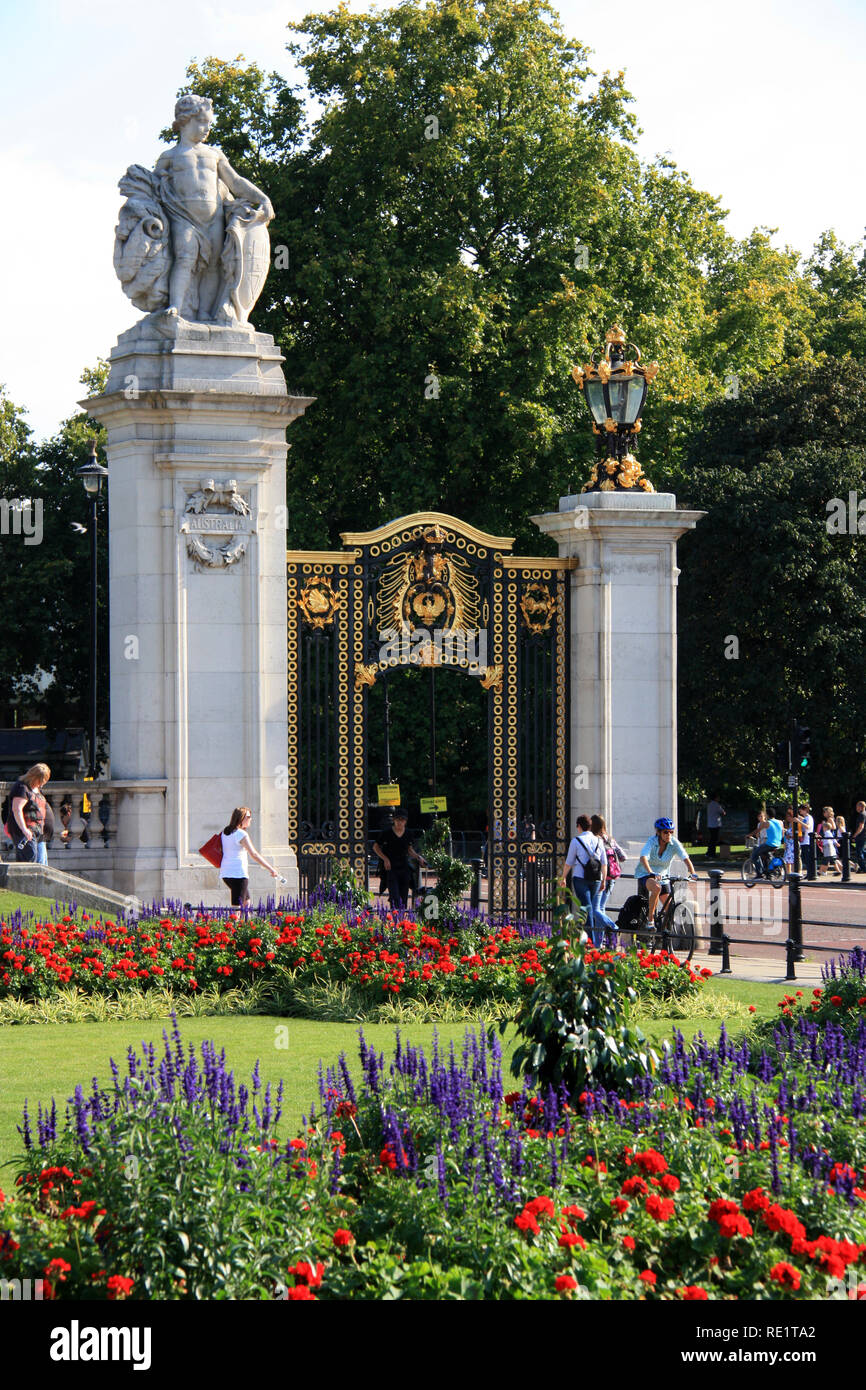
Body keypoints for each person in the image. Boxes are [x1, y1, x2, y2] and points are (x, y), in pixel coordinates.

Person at [155, 95, 275, 322]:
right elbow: (153, 190)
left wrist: (263, 198)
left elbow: (236, 182)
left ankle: (205, 313)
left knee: (213, 265)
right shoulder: (170, 157)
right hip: (184, 217)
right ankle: (176, 307)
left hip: (214, 218)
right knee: (184, 258)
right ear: (184, 121)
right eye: (201, 122)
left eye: (209, 123)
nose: (206, 128)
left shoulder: (214, 154)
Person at [635, 817, 698, 924]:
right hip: (646, 874)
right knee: (656, 888)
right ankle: (650, 920)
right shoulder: (652, 841)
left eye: (671, 832)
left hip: (663, 876)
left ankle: (664, 934)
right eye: (665, 832)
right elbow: (643, 857)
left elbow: (685, 858)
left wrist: (693, 872)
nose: (669, 835)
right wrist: (651, 872)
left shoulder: (674, 843)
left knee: (670, 909)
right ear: (658, 832)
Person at [560, 814, 607, 945]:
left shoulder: (576, 841)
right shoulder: (599, 840)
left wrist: (563, 877)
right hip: (596, 878)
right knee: (587, 907)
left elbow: (569, 862)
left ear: (579, 826)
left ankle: (590, 941)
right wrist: (603, 880)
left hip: (580, 877)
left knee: (586, 907)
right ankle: (584, 936)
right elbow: (604, 863)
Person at [220, 806, 279, 907]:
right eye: (248, 816)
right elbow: (254, 854)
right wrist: (271, 869)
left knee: (246, 903)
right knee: (237, 908)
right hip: (238, 873)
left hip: (226, 872)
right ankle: (235, 923)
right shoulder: (241, 834)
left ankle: (247, 922)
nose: (250, 819)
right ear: (241, 818)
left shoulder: (225, 832)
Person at [373, 810, 426, 911]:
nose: (400, 822)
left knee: (403, 897)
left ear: (405, 821)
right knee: (395, 896)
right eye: (397, 819)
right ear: (394, 820)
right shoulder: (386, 832)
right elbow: (375, 847)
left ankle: (402, 922)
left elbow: (409, 850)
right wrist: (385, 859)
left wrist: (418, 857)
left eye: (402, 820)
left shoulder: (409, 833)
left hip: (404, 867)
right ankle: (395, 920)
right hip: (391, 868)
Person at [6, 763, 51, 864]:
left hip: (38, 831)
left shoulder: (36, 789)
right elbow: (17, 809)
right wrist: (24, 829)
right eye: (41, 781)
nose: (42, 784)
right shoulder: (22, 787)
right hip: (26, 832)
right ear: (35, 777)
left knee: (41, 862)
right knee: (30, 858)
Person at [591, 814, 626, 937]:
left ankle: (613, 926)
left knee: (595, 910)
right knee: (601, 908)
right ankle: (599, 942)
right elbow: (623, 857)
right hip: (612, 878)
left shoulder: (595, 840)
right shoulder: (610, 839)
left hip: (600, 878)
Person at [750, 811, 784, 877]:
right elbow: (782, 834)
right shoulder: (780, 822)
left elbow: (757, 831)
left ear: (767, 815)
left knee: (754, 855)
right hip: (778, 843)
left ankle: (759, 874)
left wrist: (748, 835)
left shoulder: (767, 823)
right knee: (765, 854)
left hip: (769, 843)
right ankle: (768, 872)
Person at [816, 807, 842, 877]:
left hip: (829, 842)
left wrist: (826, 826)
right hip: (828, 841)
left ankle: (822, 871)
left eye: (825, 812)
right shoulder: (828, 820)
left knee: (829, 857)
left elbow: (833, 827)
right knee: (832, 858)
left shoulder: (829, 820)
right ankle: (837, 870)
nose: (823, 814)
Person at [705, 793, 726, 860]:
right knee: (714, 840)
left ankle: (709, 852)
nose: (719, 799)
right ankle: (712, 853)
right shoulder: (717, 805)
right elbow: (723, 812)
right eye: (718, 798)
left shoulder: (709, 804)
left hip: (710, 824)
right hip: (715, 824)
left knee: (711, 839)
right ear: (716, 798)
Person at [853, 800, 866, 873]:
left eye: (857, 806)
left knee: (859, 852)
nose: (856, 808)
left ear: (861, 807)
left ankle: (863, 868)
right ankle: (862, 867)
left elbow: (861, 826)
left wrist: (855, 835)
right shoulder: (864, 814)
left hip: (861, 836)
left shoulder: (862, 815)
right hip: (863, 836)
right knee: (862, 851)